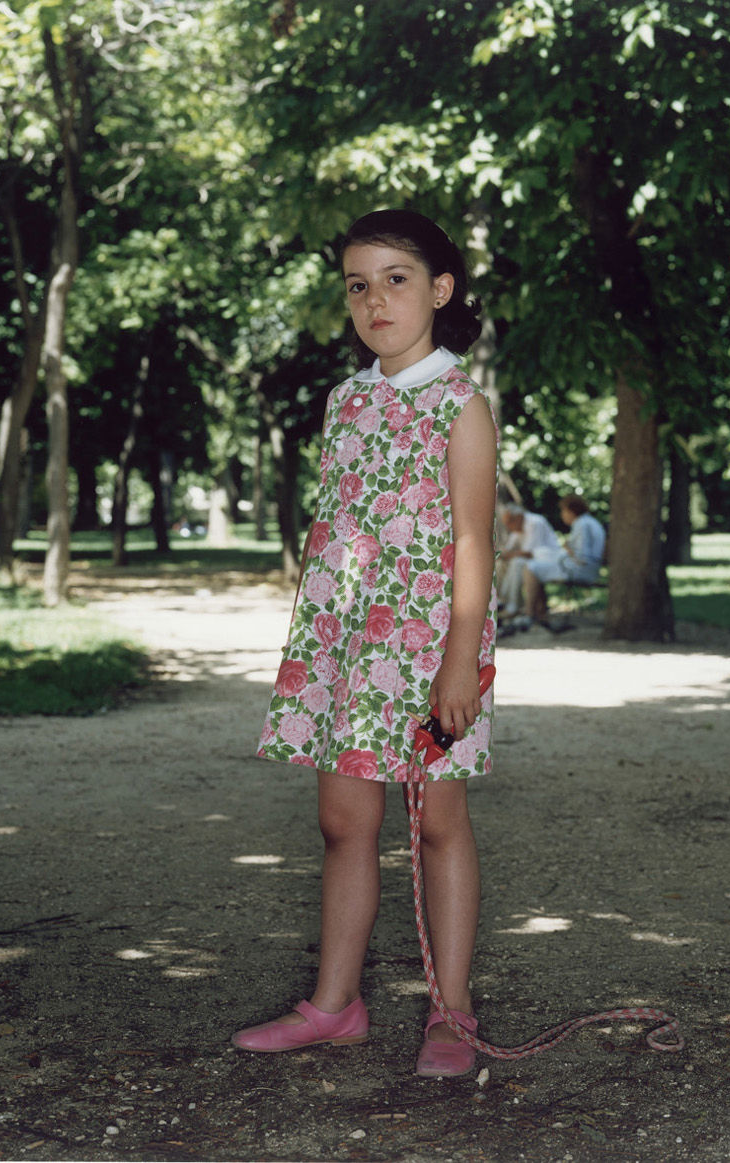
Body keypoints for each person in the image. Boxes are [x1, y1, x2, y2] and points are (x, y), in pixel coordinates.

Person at [239, 209, 498, 1079]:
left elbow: (471, 540)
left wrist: (460, 658)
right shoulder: (345, 401)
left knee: (438, 822)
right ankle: (335, 1004)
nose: (375, 299)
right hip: (349, 640)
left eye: (396, 278)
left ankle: (451, 1013)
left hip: (430, 645)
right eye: (358, 284)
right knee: (344, 819)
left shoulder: (461, 404)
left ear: (440, 290)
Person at [523, 495, 606, 626]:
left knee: (532, 567)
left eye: (563, 511)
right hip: (589, 569)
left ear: (571, 511)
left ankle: (530, 614)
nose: (562, 515)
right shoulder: (589, 522)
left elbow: (582, 557)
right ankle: (539, 613)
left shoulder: (581, 524)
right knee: (536, 565)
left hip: (580, 570)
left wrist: (568, 548)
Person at [495, 503, 559, 624]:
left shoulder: (534, 523)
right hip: (533, 559)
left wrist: (506, 554)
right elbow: (507, 551)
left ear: (518, 517)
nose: (508, 526)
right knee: (500, 564)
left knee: (517, 563)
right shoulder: (517, 526)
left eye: (510, 522)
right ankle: (501, 600)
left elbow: (529, 553)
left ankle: (512, 605)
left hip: (549, 560)